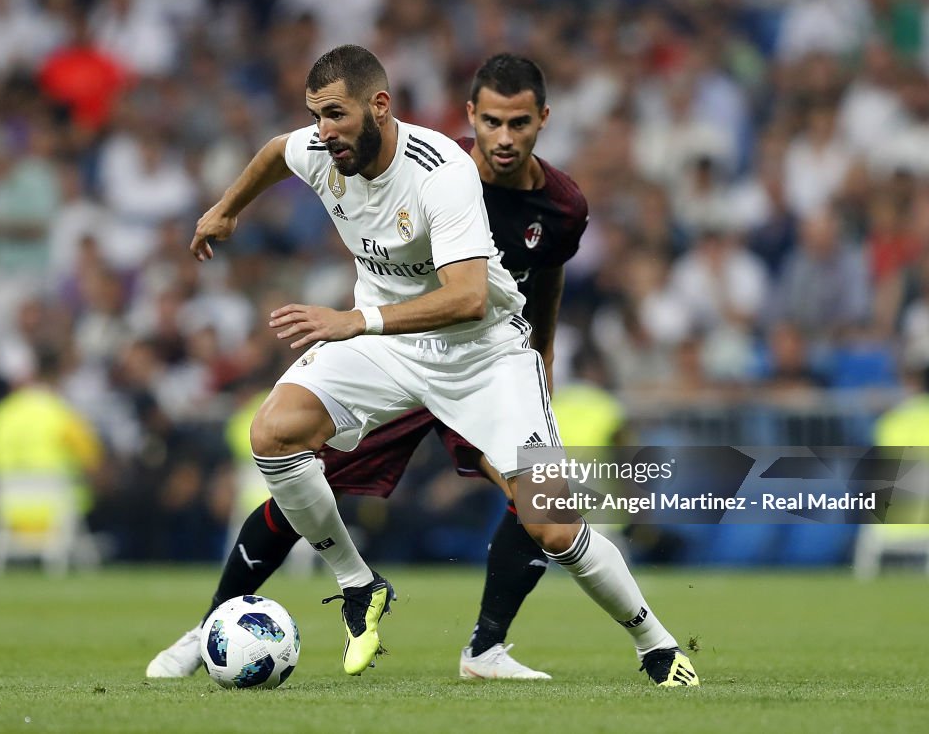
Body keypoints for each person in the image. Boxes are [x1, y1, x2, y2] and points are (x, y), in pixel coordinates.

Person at [167, 45, 697, 686]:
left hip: (483, 353)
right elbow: (277, 152)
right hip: (391, 347)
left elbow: (470, 296)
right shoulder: (319, 148)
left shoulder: (442, 170)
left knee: (553, 522)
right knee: (273, 433)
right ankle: (357, 585)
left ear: (379, 106)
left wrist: (353, 320)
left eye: (335, 115)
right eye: (317, 116)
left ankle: (657, 648)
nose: (323, 131)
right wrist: (227, 208)